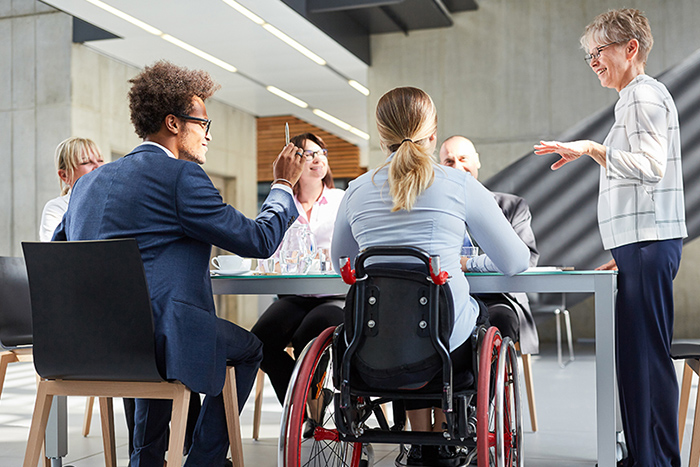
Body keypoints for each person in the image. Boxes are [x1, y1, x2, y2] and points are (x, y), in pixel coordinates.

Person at [52, 60, 305, 467]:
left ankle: (147, 458)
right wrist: (282, 185)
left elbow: (60, 255)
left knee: (156, 326)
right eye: (203, 124)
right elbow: (258, 240)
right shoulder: (179, 177)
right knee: (249, 350)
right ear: (173, 123)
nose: (208, 135)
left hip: (90, 345)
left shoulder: (86, 185)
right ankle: (203, 461)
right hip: (159, 341)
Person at [332, 86, 529, 466]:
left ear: (381, 136)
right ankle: (448, 429)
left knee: (401, 320)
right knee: (481, 320)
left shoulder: (355, 190)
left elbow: (342, 260)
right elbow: (516, 260)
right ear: (433, 134)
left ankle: (421, 439)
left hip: (373, 345)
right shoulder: (459, 184)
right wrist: (464, 260)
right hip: (444, 348)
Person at [534, 9, 686, 466]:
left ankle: (654, 460)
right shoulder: (639, 97)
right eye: (589, 57)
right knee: (636, 356)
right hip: (640, 245)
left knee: (645, 359)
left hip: (648, 244)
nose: (594, 62)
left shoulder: (640, 95)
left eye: (598, 52)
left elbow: (650, 167)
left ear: (629, 48)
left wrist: (592, 149)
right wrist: (624, 251)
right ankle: (645, 455)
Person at [251, 132, 345, 404]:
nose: (318, 159)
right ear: (294, 162)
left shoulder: (341, 200)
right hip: (294, 296)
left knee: (307, 335)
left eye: (321, 153)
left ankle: (305, 405)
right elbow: (268, 248)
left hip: (335, 295)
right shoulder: (282, 203)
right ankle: (302, 405)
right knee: (258, 344)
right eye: (309, 154)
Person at [439, 135, 540, 355]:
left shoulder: (512, 206)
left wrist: (469, 264)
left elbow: (528, 258)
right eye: (449, 161)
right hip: (448, 296)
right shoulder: (437, 211)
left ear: (477, 161)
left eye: (463, 158)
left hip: (498, 297)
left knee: (500, 319)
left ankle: (488, 389)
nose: (457, 166)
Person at [39, 137, 104, 242]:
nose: (98, 167)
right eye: (86, 162)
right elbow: (53, 253)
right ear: (64, 175)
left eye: (100, 161)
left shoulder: (112, 202)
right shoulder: (56, 209)